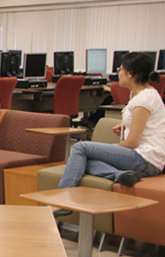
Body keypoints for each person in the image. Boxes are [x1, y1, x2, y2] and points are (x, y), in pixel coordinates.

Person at [57, 52, 165, 195]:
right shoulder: (142, 94)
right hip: (146, 158)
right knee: (82, 160)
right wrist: (126, 126)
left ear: (130, 74)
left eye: (120, 69)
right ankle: (120, 175)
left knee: (80, 147)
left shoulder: (143, 100)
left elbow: (132, 142)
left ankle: (61, 197)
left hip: (145, 158)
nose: (118, 73)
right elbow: (147, 123)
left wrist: (111, 148)